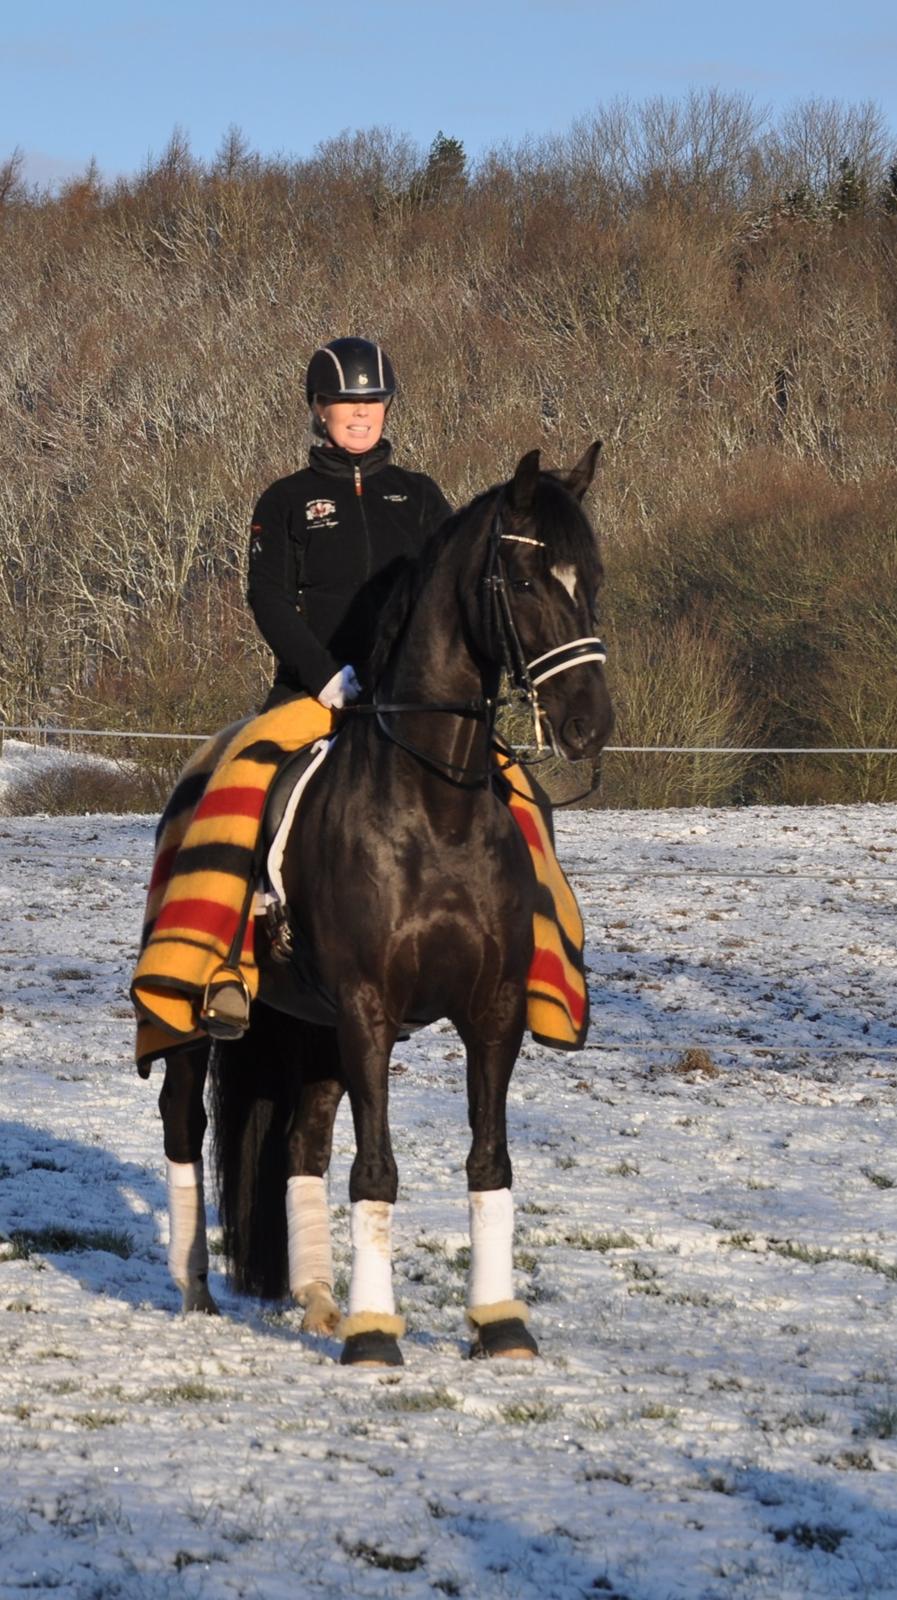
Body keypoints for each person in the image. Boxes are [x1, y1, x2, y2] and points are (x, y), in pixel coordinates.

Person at [247, 337, 452, 712]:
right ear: (320, 407)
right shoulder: (285, 499)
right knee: (247, 768)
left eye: (372, 401)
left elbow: (455, 588)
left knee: (502, 768)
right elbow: (269, 598)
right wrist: (323, 676)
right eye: (348, 401)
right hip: (313, 692)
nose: (362, 413)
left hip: (411, 694)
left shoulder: (420, 494)